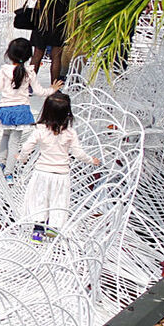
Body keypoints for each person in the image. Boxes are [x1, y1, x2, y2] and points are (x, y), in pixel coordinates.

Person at [0, 37, 61, 181]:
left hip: (6, 109)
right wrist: (52, 89)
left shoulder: (5, 71)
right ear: (28, 56)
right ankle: (9, 173)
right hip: (21, 111)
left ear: (9, 54)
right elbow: (39, 92)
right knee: (14, 142)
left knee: (5, 136)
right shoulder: (29, 72)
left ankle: (1, 162)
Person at [16, 92, 100, 240]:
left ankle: (38, 231)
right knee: (58, 200)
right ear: (68, 113)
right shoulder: (70, 133)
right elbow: (78, 153)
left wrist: (22, 159)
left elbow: (26, 147)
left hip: (42, 172)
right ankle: (53, 228)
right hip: (61, 174)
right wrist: (91, 160)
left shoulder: (40, 130)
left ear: (46, 110)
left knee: (40, 199)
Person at [29, 0, 70, 83]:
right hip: (60, 21)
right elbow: (73, 0)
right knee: (56, 56)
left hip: (42, 20)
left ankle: (29, 85)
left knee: (37, 54)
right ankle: (54, 86)